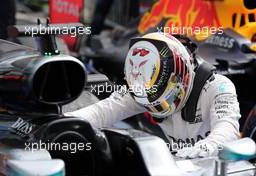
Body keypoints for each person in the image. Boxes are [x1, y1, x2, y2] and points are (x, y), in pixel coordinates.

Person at [65, 32, 241, 158]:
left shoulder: (219, 86)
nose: (156, 108)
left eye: (163, 101)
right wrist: (62, 121)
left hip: (217, 163)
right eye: (150, 105)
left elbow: (228, 128)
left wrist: (209, 146)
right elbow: (102, 111)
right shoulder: (144, 88)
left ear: (182, 78)